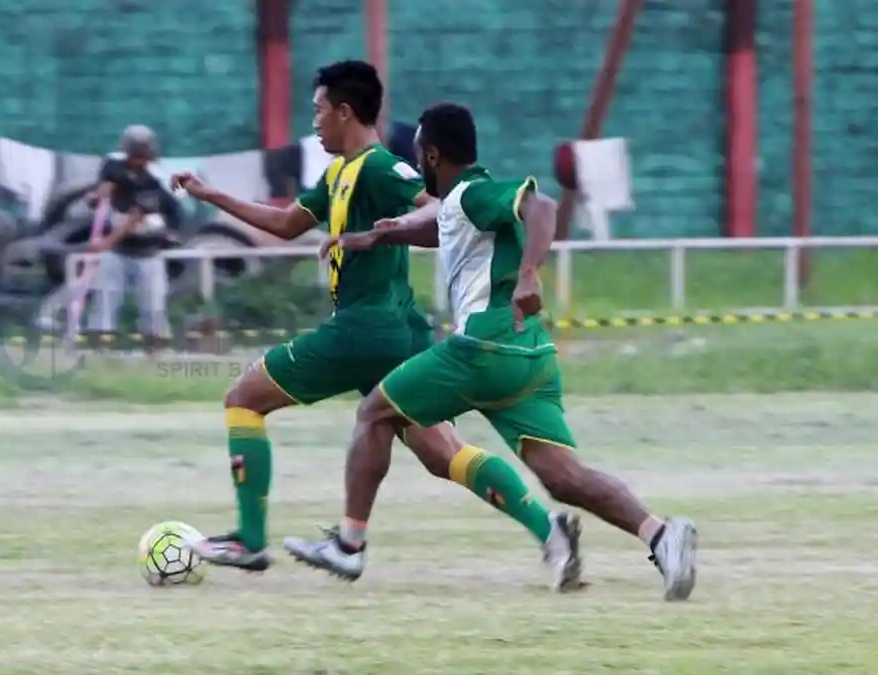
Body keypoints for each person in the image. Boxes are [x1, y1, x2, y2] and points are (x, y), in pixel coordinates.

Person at [170, 60, 582, 590]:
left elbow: (439, 206)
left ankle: (251, 541)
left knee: (243, 398)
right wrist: (211, 196)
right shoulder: (339, 172)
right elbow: (288, 223)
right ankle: (549, 530)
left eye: (318, 110)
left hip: (367, 328)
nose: (314, 121)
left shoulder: (382, 167)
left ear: (344, 111)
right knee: (443, 454)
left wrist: (399, 228)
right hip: (397, 332)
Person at [282, 102, 698, 601]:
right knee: (563, 477)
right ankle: (661, 535)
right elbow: (439, 230)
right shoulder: (461, 201)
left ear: (432, 154)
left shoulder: (475, 190)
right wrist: (376, 235)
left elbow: (539, 207)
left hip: (483, 345)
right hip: (529, 354)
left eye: (417, 154)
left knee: (375, 413)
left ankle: (348, 545)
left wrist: (528, 274)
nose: (415, 164)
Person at [85, 124, 180, 350]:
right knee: (105, 299)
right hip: (117, 250)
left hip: (148, 248)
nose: (138, 160)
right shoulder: (113, 164)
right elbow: (105, 186)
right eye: (134, 155)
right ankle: (102, 350)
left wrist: (105, 244)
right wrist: (98, 196)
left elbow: (134, 218)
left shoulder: (155, 179)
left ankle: (153, 352)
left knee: (152, 306)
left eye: (142, 156)